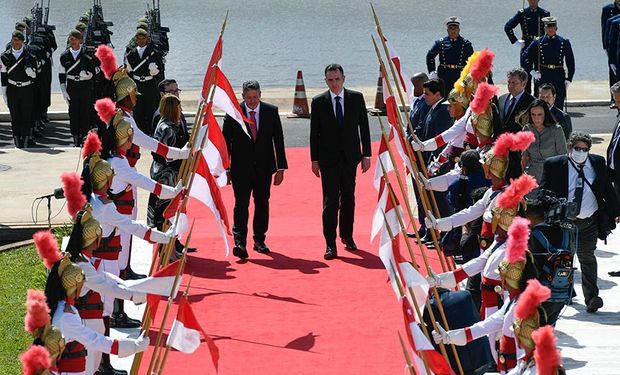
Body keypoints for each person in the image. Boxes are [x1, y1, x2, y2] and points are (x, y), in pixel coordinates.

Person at [540, 132, 620, 313]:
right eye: (577, 148)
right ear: (570, 147)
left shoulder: (597, 163)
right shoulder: (554, 165)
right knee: (563, 260)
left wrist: (616, 211)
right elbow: (543, 192)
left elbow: (607, 189)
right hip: (564, 223)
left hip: (589, 221)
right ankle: (564, 293)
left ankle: (591, 297)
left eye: (584, 149)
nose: (580, 152)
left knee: (587, 257)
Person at [310, 64, 371, 260]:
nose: (334, 83)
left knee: (348, 198)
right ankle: (330, 243)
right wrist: (314, 160)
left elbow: (364, 128)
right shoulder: (319, 102)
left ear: (344, 79)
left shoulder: (356, 98)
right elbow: (314, 134)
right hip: (327, 159)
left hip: (350, 157)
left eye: (337, 79)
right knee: (330, 201)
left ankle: (347, 235)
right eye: (330, 80)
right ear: (326, 81)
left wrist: (366, 155)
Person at [223, 80, 287, 260]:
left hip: (264, 168)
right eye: (248, 97)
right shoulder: (233, 113)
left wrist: (281, 167)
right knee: (241, 205)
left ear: (260, 95)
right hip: (240, 170)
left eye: (255, 97)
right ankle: (240, 242)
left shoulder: (271, 112)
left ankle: (259, 239)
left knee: (262, 203)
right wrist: (225, 169)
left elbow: (279, 141)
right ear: (242, 96)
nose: (252, 101)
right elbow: (225, 143)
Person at [148, 94, 194, 259]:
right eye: (179, 107)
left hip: (167, 174)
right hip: (166, 176)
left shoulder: (168, 125)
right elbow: (168, 155)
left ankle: (171, 248)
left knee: (169, 213)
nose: (181, 110)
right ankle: (167, 252)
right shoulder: (167, 129)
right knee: (165, 214)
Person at [522, 17, 575, 108]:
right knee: (541, 104)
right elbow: (525, 57)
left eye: (552, 27)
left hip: (558, 76)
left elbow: (570, 61)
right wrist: (532, 72)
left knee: (558, 104)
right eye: (548, 27)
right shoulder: (538, 42)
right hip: (543, 75)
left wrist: (569, 78)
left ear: (556, 28)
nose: (550, 29)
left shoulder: (563, 42)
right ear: (545, 28)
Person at [0, 30, 38, 148]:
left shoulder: (30, 55)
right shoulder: (4, 56)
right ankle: (17, 139)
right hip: (12, 89)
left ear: (22, 41)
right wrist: (4, 93)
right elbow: (3, 76)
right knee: (15, 116)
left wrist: (31, 73)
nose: (15, 42)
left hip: (26, 88)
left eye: (18, 40)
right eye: (14, 40)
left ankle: (26, 138)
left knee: (26, 115)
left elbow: (36, 75)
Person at [59, 29, 97, 146]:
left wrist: (87, 76)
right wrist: (64, 91)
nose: (73, 41)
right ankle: (76, 136)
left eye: (75, 39)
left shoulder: (87, 55)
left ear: (80, 40)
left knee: (85, 112)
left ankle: (85, 136)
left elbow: (93, 72)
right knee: (74, 113)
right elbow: (61, 75)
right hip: (72, 87)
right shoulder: (64, 56)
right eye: (71, 39)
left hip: (84, 87)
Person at [504, 0, 550, 94]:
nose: (533, 1)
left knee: (539, 76)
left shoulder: (544, 13)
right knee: (525, 76)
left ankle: (538, 100)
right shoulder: (522, 13)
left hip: (539, 46)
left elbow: (549, 31)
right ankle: (527, 102)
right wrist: (515, 41)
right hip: (526, 45)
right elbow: (508, 27)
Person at [124, 29, 164, 135]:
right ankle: (139, 132)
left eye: (143, 38)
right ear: (136, 40)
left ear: (147, 39)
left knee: (150, 108)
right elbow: (129, 72)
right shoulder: (131, 54)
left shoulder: (154, 52)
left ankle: (151, 132)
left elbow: (160, 70)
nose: (141, 41)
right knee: (138, 109)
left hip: (149, 84)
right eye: (139, 38)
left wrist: (155, 71)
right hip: (137, 84)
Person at [520, 99, 567, 183]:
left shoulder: (556, 130)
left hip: (552, 175)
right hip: (532, 175)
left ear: (545, 114)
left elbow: (563, 157)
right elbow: (524, 157)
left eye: (539, 115)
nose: (536, 118)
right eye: (533, 114)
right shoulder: (527, 129)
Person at [426, 16, 474, 97]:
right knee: (444, 97)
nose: (453, 31)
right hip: (444, 75)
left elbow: (472, 60)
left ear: (459, 30)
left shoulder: (465, 44)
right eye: (450, 28)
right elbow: (430, 56)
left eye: (455, 28)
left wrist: (470, 75)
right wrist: (432, 72)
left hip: (460, 75)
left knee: (459, 98)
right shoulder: (440, 43)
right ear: (447, 30)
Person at [602, 1, 620, 107]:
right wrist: (606, 47)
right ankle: (614, 98)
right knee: (614, 75)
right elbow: (604, 28)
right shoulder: (608, 10)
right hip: (614, 48)